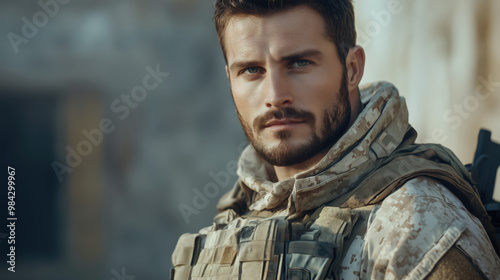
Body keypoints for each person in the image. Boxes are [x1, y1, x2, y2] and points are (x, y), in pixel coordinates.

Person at [171, 1, 500, 279]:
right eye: (252, 71)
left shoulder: (414, 223)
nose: (275, 96)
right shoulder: (237, 211)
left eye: (299, 63)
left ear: (353, 68)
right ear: (229, 77)